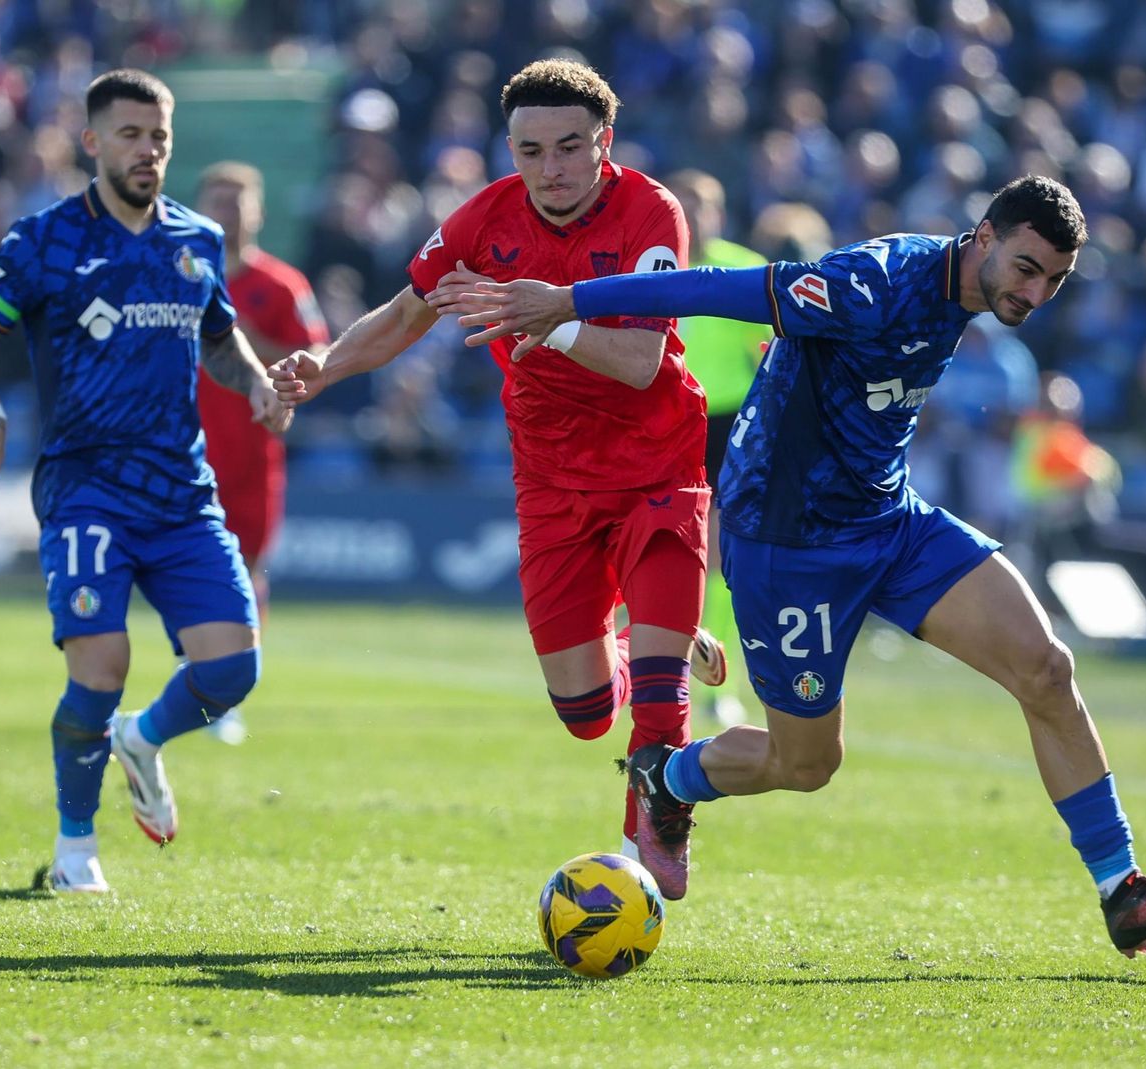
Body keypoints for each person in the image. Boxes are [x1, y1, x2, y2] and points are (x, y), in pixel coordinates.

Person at [431, 175, 1146, 958]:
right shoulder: (873, 281)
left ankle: (1120, 891)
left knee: (1046, 668)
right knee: (806, 763)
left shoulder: (969, 294)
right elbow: (721, 288)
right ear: (983, 236)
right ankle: (667, 779)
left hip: (888, 520)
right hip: (791, 545)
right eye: (1026, 268)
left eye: (1054, 280)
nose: (1036, 291)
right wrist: (570, 301)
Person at [268, 58, 726, 900]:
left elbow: (639, 358)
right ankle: (647, 640)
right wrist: (327, 366)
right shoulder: (483, 219)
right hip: (552, 482)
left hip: (656, 466)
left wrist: (547, 315)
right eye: (529, 150)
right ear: (508, 149)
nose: (550, 168)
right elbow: (409, 313)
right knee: (586, 714)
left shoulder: (650, 212)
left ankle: (654, 833)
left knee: (658, 712)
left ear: (604, 143)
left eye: (568, 147)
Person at [0, 69, 291, 893]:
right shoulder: (45, 239)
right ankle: (73, 851)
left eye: (159, 136)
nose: (147, 151)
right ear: (93, 141)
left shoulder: (196, 240)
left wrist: (257, 384)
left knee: (234, 669)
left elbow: (218, 341)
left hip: (181, 493)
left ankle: (144, 738)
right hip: (86, 487)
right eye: (129, 135)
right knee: (99, 665)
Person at [194, 161, 331, 743]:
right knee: (189, 572)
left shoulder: (279, 286)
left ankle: (226, 693)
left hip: (250, 452)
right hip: (180, 450)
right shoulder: (176, 276)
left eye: (238, 199)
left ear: (258, 212)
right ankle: (200, 677)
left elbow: (318, 357)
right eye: (217, 198)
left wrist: (249, 339)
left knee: (245, 574)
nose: (227, 209)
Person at [666, 169, 772, 727]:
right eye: (684, 205)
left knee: (721, 553)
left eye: (703, 205)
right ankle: (652, 660)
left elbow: (775, 358)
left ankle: (713, 682)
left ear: (720, 213)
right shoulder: (649, 268)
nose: (695, 215)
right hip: (661, 420)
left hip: (726, 423)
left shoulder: (744, 270)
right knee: (658, 543)